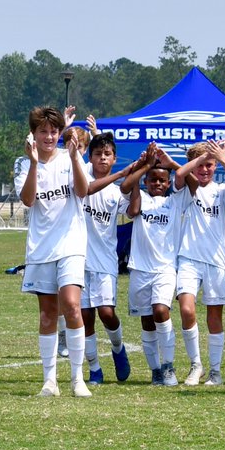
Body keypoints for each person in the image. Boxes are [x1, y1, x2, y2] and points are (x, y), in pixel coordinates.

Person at [16, 106, 93, 397]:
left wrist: (75, 158)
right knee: (48, 314)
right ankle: (50, 380)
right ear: (33, 134)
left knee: (72, 304)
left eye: (53, 131)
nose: (49, 136)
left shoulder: (70, 157)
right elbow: (27, 199)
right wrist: (34, 164)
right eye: (43, 131)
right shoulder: (23, 164)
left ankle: (77, 378)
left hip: (71, 244)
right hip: (40, 248)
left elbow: (83, 191)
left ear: (60, 133)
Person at [122, 144, 202, 386]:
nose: (157, 183)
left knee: (160, 311)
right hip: (139, 269)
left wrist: (171, 164)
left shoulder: (175, 201)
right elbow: (128, 195)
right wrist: (142, 166)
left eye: (162, 180)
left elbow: (193, 183)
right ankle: (155, 369)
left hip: (166, 269)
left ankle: (168, 366)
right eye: (152, 180)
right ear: (146, 181)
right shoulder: (142, 197)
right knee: (147, 321)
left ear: (168, 184)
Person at [175, 140, 225, 386]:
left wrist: (222, 158)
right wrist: (200, 158)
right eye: (200, 165)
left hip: (216, 262)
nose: (204, 170)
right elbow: (180, 173)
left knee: (214, 317)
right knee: (186, 309)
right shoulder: (188, 187)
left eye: (209, 165)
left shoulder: (222, 189)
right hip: (188, 258)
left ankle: (215, 371)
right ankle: (196, 365)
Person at [78, 131, 143, 384]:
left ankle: (118, 349)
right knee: (85, 318)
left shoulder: (116, 192)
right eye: (98, 154)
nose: (102, 158)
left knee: (106, 312)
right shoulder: (81, 179)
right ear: (90, 158)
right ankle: (94, 369)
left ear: (114, 158)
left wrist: (135, 176)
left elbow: (134, 210)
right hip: (78, 259)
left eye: (107, 154)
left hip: (105, 260)